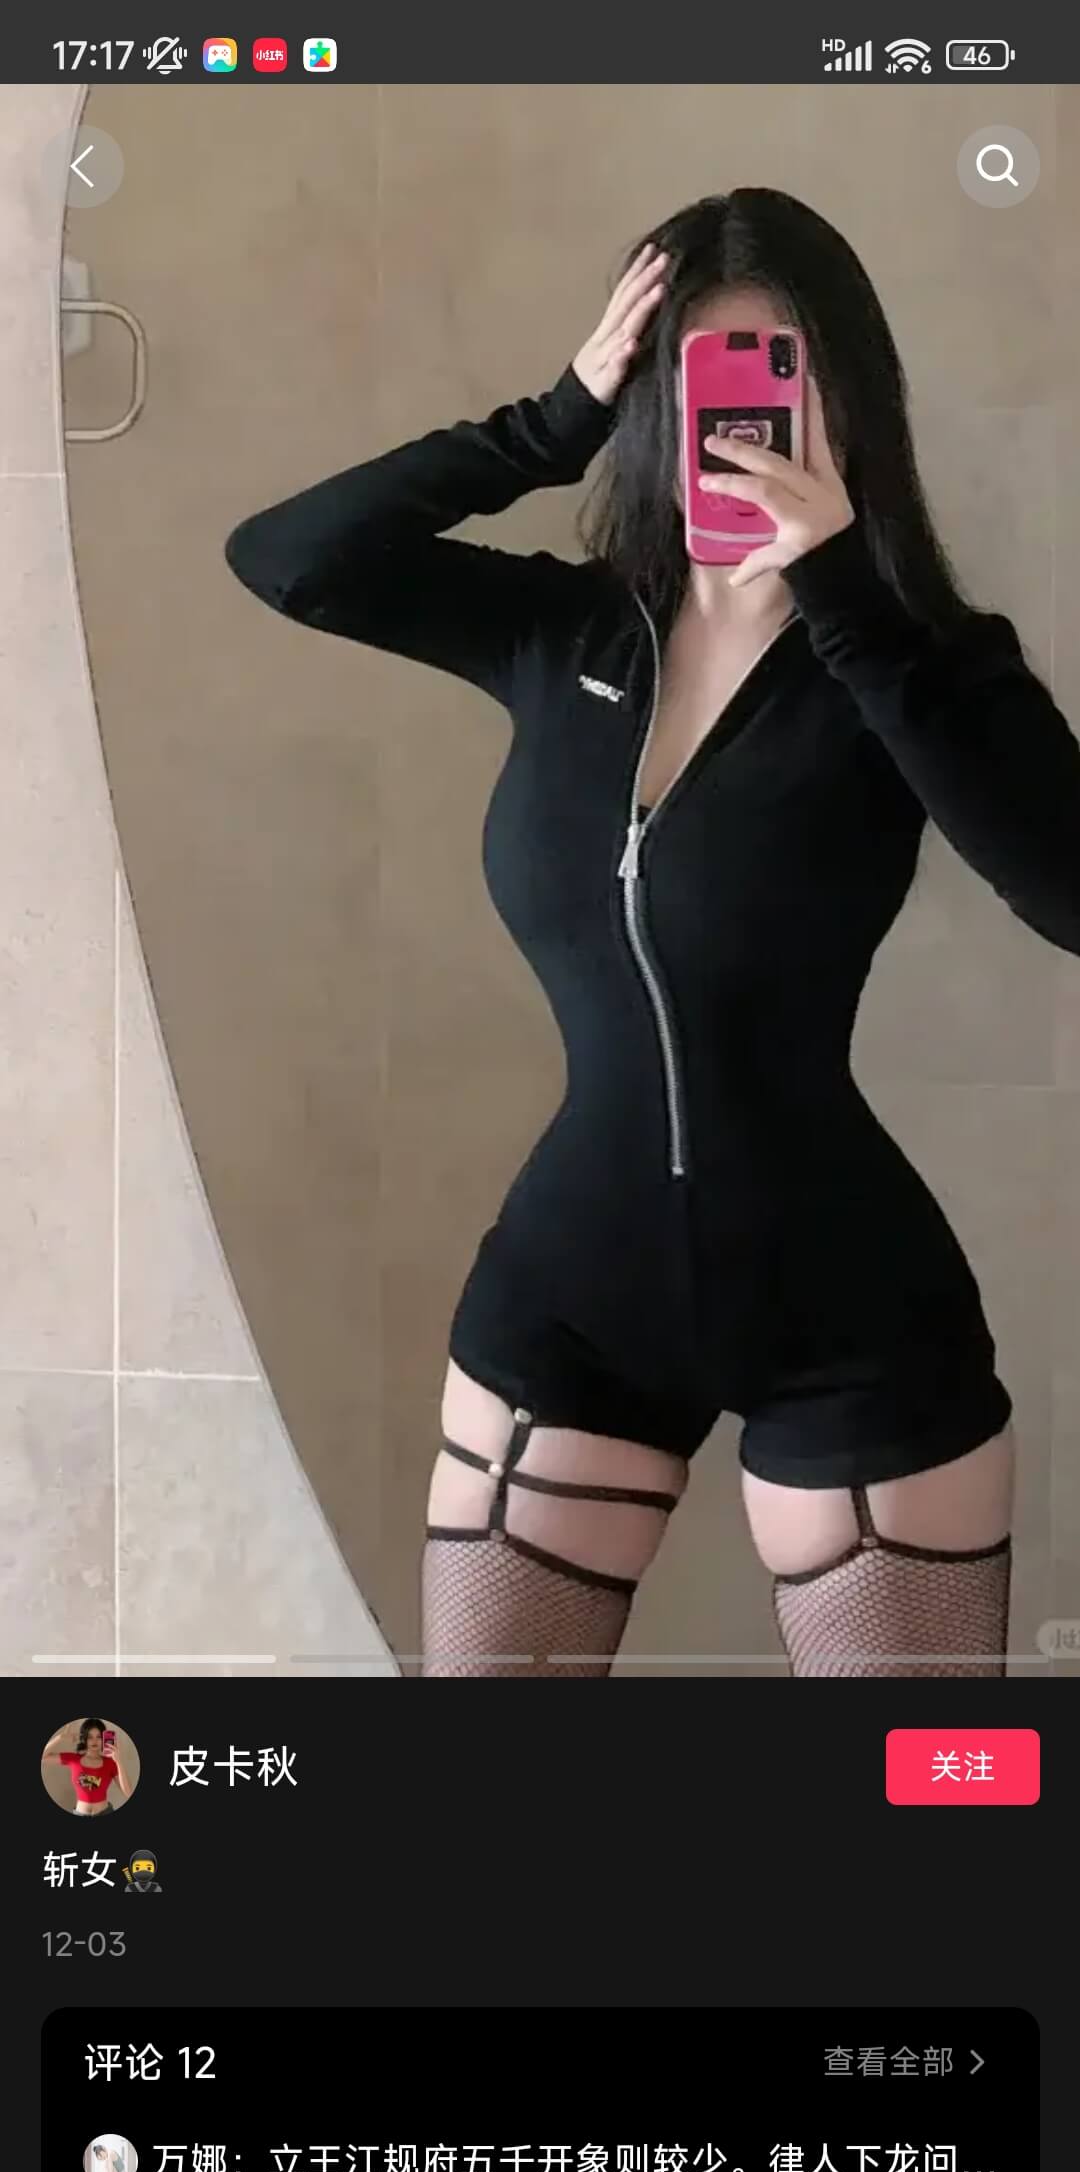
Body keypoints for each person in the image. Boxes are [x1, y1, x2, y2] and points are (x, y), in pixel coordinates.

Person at [225, 187, 1080, 1681]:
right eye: (695, 372)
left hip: (847, 1303)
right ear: (649, 394)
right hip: (571, 1294)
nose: (736, 413)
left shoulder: (916, 662)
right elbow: (286, 558)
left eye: (777, 372)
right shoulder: (559, 631)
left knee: (927, 1805)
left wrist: (841, 594)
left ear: (845, 398)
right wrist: (543, 424)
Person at [42, 1719, 132, 1814]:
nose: (94, 1741)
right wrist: (59, 1738)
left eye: (98, 1737)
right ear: (84, 1738)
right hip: (80, 1813)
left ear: (104, 1738)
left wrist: (119, 1761)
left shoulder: (111, 1763)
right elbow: (43, 1758)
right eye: (90, 1737)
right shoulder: (73, 1759)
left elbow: (129, 1793)